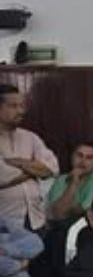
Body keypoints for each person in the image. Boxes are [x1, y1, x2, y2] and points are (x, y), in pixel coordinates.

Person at [0, 84, 59, 230]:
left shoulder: (30, 137)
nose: (20, 111)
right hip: (5, 223)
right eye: (13, 106)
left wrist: (19, 163)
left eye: (22, 106)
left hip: (36, 220)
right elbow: (3, 176)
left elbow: (52, 168)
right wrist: (34, 169)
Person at [47, 141, 93, 224]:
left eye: (89, 158)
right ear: (72, 158)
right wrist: (73, 183)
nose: (82, 161)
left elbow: (86, 211)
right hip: (61, 226)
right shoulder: (61, 179)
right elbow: (58, 213)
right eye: (79, 155)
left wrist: (67, 208)